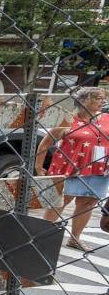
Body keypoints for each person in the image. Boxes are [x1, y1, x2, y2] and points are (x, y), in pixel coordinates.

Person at [38, 86, 109, 251]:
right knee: (61, 201)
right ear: (83, 100)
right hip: (69, 167)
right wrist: (38, 166)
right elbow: (46, 143)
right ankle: (40, 235)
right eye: (98, 98)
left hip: (99, 167)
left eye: (103, 98)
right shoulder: (69, 119)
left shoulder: (106, 118)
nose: (102, 101)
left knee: (88, 202)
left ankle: (75, 239)